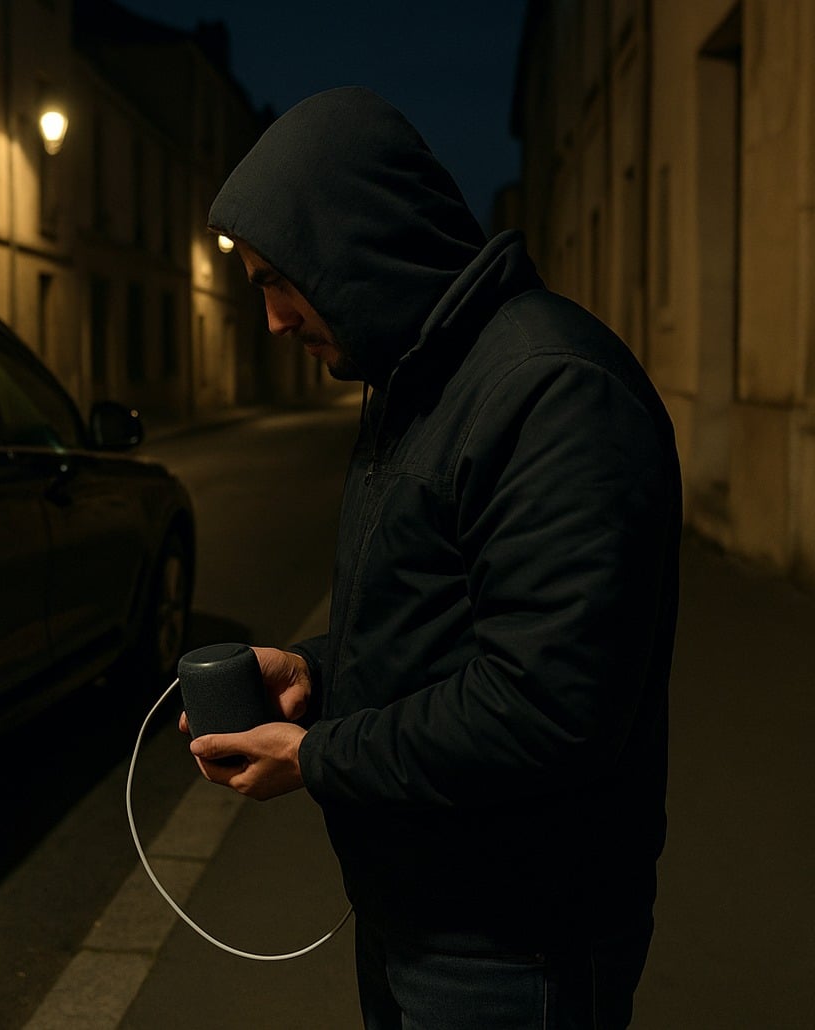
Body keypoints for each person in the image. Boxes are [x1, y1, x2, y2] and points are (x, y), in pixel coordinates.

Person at [187, 87, 681, 1029]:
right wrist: (315, 671)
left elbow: (548, 707)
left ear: (351, 242)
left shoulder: (551, 391)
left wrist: (318, 755)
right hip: (427, 913)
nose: (277, 321)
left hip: (512, 941)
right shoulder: (422, 375)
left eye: (276, 282)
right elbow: (440, 617)